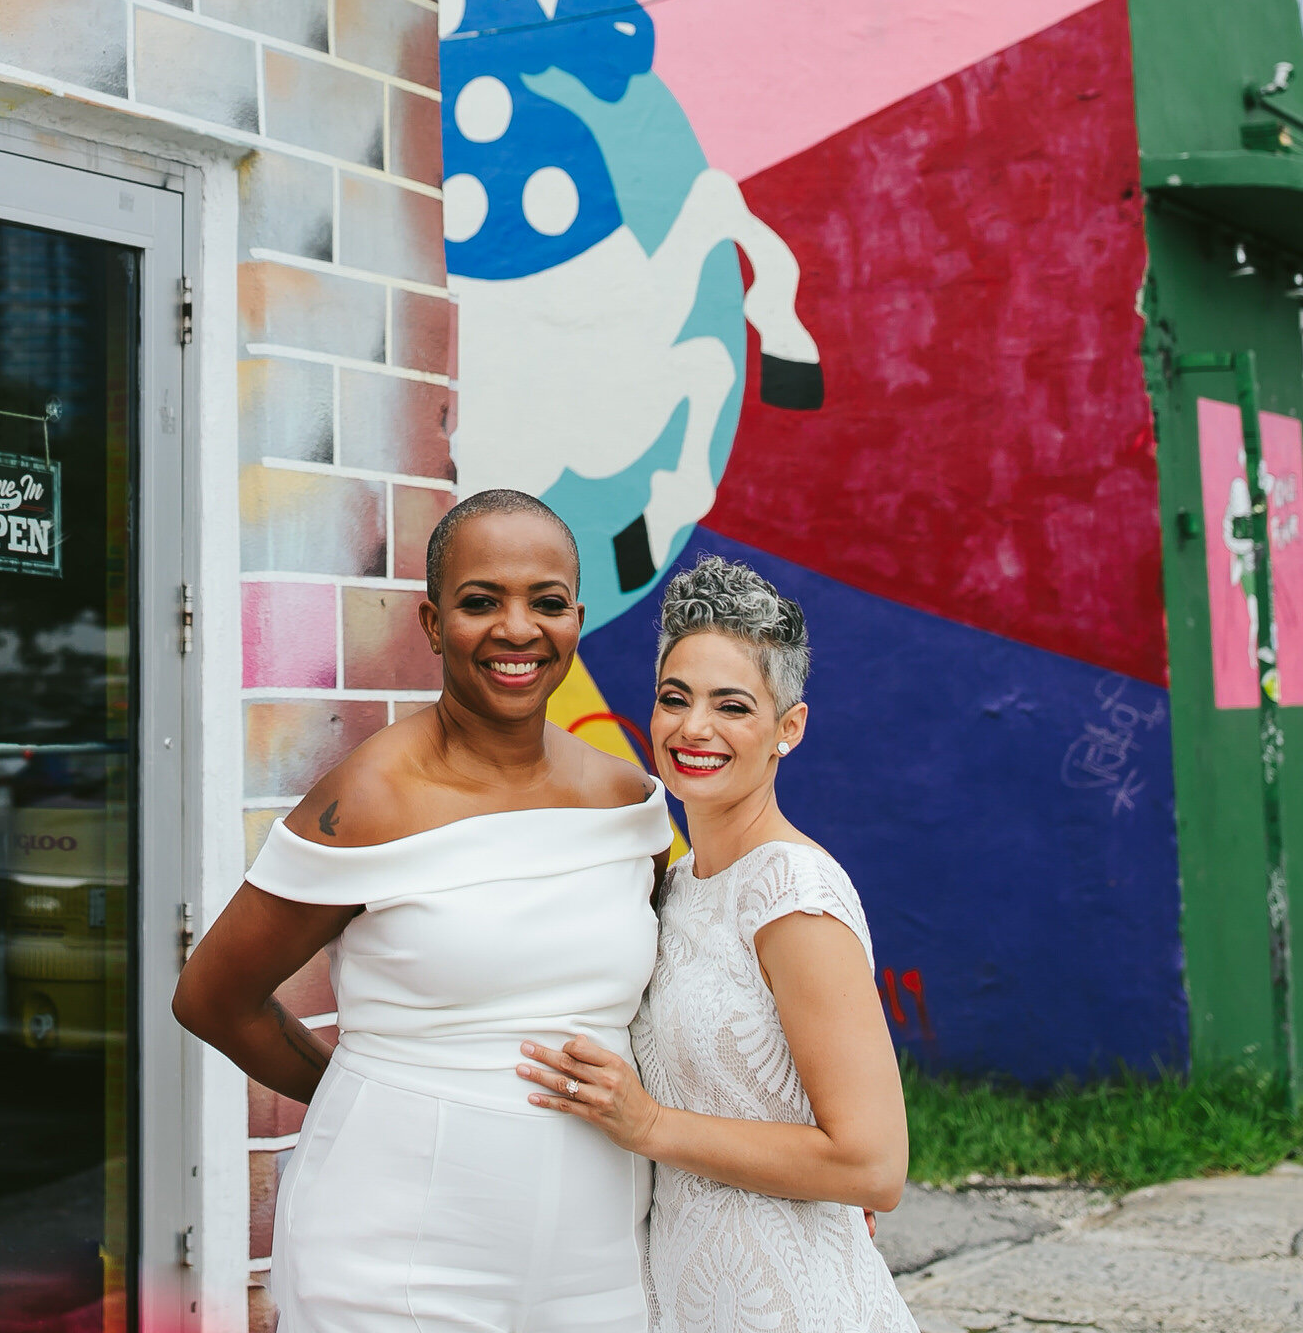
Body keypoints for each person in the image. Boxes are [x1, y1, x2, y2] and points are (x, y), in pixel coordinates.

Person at [173, 487, 673, 1333]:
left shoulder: (630, 804)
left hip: (601, 1253)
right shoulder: (368, 800)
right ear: (434, 624)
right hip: (393, 1256)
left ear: (576, 619)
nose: (518, 630)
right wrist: (367, 1091)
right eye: (481, 603)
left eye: (545, 603)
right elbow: (212, 998)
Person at [519, 556, 918, 1332]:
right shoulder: (673, 888)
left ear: (787, 729)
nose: (693, 728)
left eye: (732, 706)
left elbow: (874, 1164)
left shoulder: (793, 898)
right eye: (676, 699)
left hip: (795, 1307)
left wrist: (651, 1126)